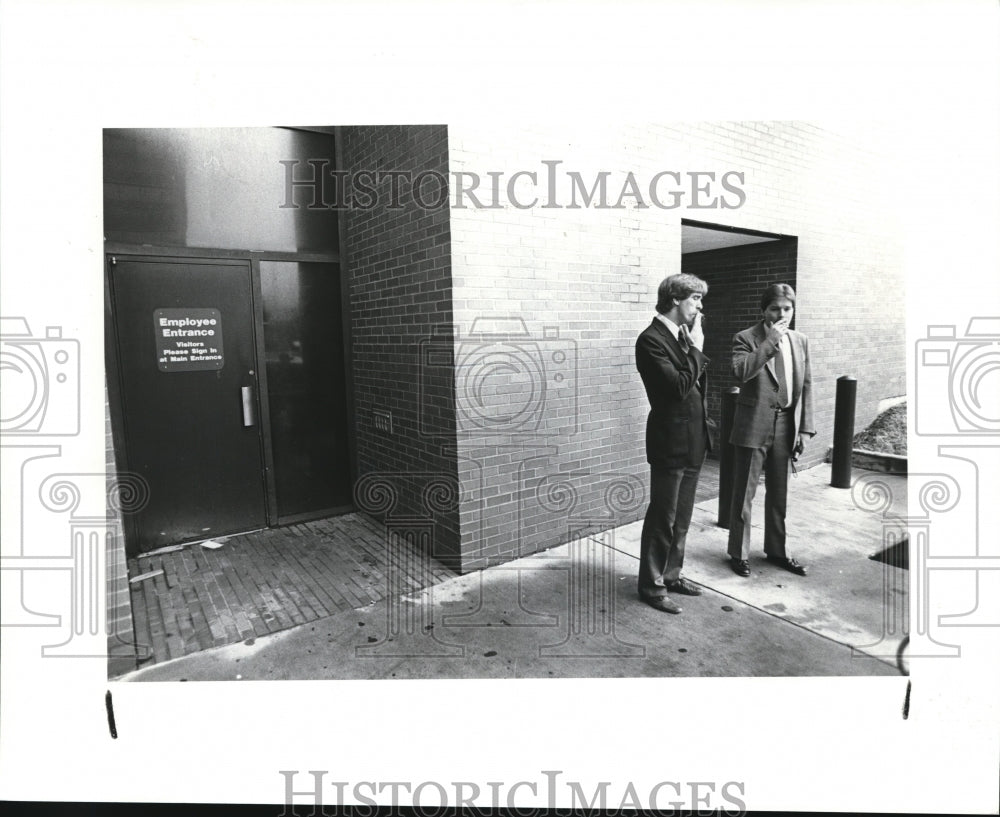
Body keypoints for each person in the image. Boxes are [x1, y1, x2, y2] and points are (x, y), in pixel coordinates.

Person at [635, 273, 712, 614]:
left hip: (694, 441)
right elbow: (676, 389)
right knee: (662, 518)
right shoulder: (650, 340)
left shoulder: (682, 336)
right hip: (669, 442)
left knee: (681, 518)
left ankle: (671, 574)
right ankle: (651, 586)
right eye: (695, 298)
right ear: (676, 299)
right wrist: (696, 348)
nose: (700, 305)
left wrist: (692, 346)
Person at [727, 283, 816, 577]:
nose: (782, 314)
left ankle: (777, 551)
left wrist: (805, 429)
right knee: (744, 493)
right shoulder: (746, 338)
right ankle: (738, 554)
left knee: (779, 493)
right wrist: (770, 342)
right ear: (763, 310)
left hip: (786, 424)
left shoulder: (800, 340)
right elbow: (740, 372)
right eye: (775, 308)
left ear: (794, 310)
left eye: (787, 309)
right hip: (753, 424)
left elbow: (806, 385)